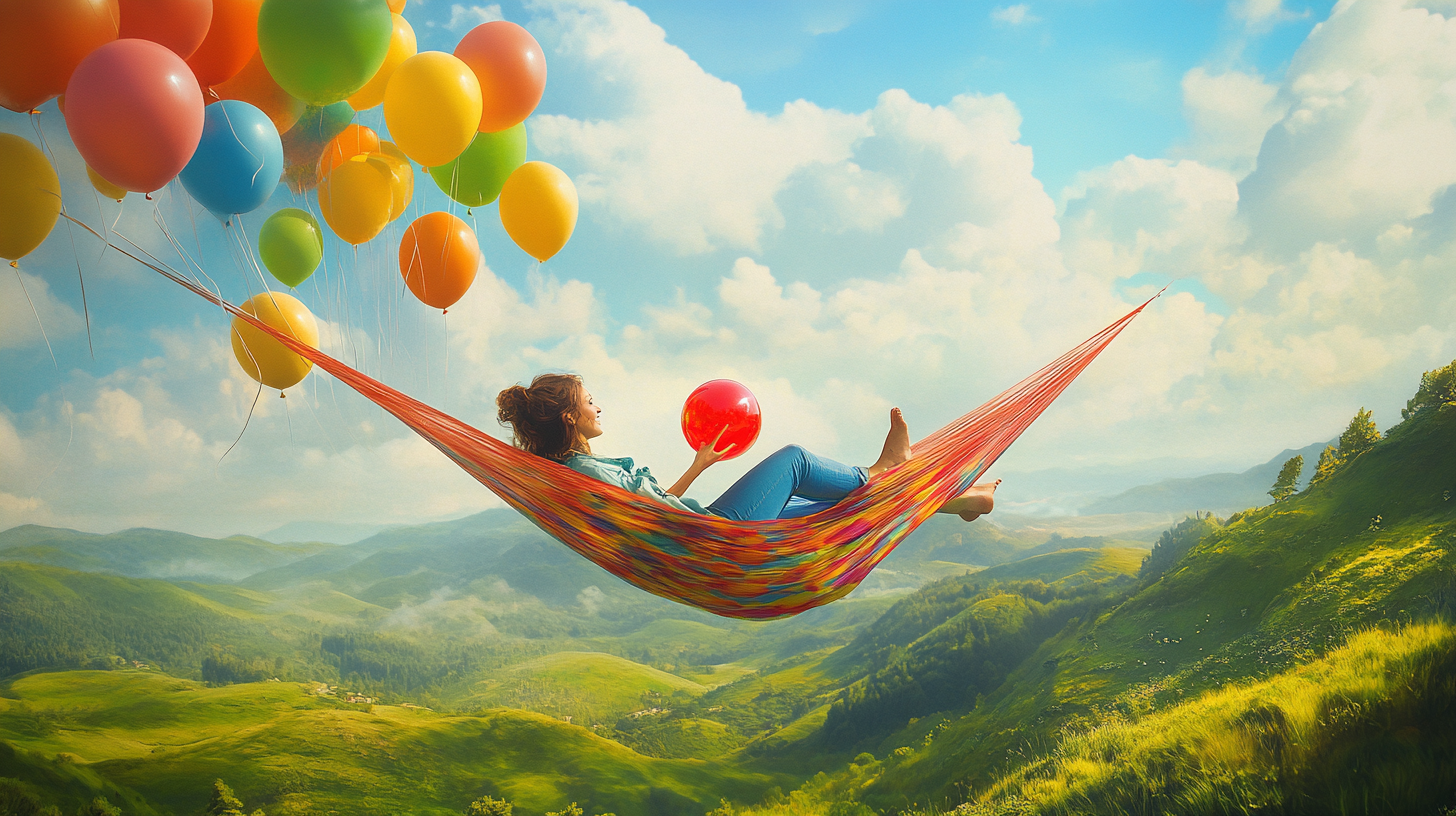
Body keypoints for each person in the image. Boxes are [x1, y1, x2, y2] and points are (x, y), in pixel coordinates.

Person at [496, 373, 999, 523]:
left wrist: (697, 466)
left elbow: (655, 511)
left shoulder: (578, 470)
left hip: (701, 532)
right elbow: (660, 517)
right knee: (796, 461)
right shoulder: (588, 474)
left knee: (829, 508)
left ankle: (960, 501)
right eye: (590, 402)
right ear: (569, 417)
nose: (597, 408)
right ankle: (881, 468)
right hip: (717, 534)